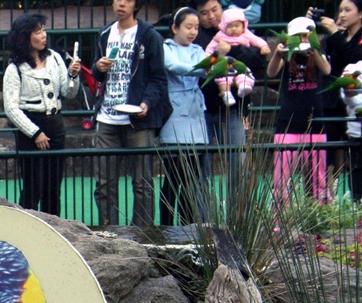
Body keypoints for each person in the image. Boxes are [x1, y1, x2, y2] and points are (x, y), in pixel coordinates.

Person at [91, 0, 169, 228]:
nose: (121, 4)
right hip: (107, 116)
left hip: (137, 118)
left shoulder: (149, 36)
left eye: (127, 0)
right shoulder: (105, 33)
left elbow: (158, 79)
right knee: (104, 182)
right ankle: (110, 231)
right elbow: (96, 73)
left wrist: (146, 103)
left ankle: (142, 234)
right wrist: (98, 68)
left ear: (136, 4)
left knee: (142, 182)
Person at [2, 13, 81, 215]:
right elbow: (11, 108)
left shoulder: (54, 58)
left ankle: (53, 229)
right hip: (31, 127)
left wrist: (73, 75)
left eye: (43, 30)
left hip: (55, 124)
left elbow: (68, 92)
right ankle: (27, 228)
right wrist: (35, 133)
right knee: (33, 187)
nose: (43, 35)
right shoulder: (15, 69)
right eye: (38, 32)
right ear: (25, 37)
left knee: (53, 186)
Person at [190, 0, 267, 191]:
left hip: (233, 110)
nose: (211, 16)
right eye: (204, 13)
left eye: (214, 10)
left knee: (238, 168)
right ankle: (203, 220)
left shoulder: (237, 28)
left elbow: (258, 60)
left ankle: (237, 219)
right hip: (203, 110)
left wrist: (231, 50)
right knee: (201, 170)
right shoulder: (195, 35)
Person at [268, 16, 332, 205]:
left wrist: (314, 54)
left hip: (314, 123)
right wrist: (278, 54)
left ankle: (320, 213)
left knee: (318, 177)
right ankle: (279, 217)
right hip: (288, 123)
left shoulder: (318, 53)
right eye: (298, 36)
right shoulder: (287, 55)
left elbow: (327, 71)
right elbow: (271, 72)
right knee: (281, 175)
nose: (303, 41)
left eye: (306, 36)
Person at [158, 8, 210, 228]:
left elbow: (209, 67)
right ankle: (167, 227)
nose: (193, 32)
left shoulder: (198, 50)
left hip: (196, 115)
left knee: (192, 181)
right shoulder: (165, 48)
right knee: (172, 179)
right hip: (175, 115)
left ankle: (188, 228)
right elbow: (174, 66)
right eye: (188, 27)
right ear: (174, 28)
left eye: (196, 27)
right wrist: (203, 69)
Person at [313, 0, 362, 178]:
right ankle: (327, 198)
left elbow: (354, 59)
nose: (342, 15)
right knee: (328, 149)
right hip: (331, 100)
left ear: (361, 13)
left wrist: (336, 33)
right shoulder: (336, 36)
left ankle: (360, 199)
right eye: (340, 11)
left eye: (347, 10)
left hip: (358, 101)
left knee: (359, 154)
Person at [203, 7, 269, 107]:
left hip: (239, 63)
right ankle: (226, 94)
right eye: (229, 26)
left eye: (237, 26)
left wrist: (264, 46)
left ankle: (244, 86)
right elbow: (209, 49)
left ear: (243, 25)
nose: (233, 29)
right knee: (223, 78)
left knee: (244, 72)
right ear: (224, 27)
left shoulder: (246, 34)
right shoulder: (220, 36)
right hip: (224, 63)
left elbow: (256, 40)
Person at [341, 24, 362, 204]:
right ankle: (361, 219)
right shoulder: (353, 68)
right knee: (359, 179)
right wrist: (349, 92)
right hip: (358, 132)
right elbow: (348, 100)